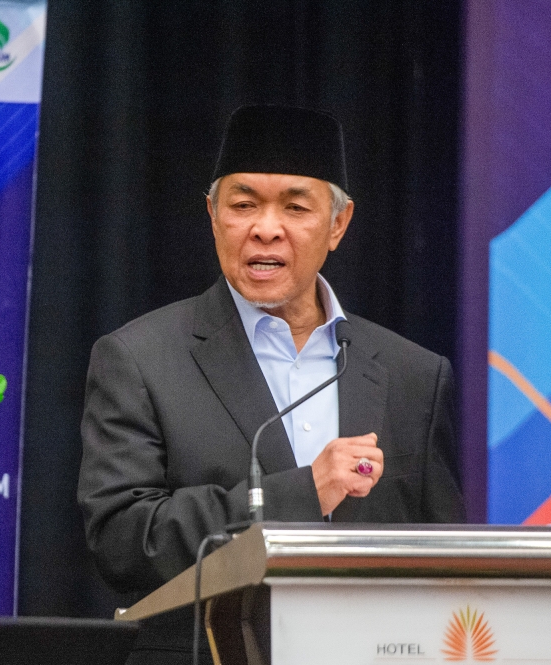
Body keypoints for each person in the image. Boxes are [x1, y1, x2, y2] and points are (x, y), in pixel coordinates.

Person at [77, 105, 465, 664]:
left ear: (338, 224)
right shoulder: (141, 359)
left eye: (295, 206)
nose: (265, 227)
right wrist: (302, 494)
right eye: (242, 205)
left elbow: (445, 563)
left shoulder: (412, 376)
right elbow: (124, 543)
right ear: (213, 215)